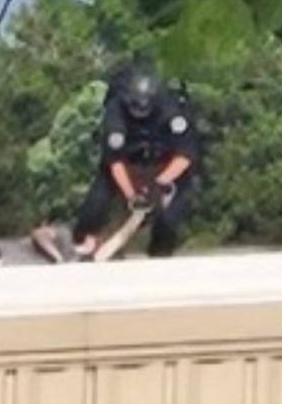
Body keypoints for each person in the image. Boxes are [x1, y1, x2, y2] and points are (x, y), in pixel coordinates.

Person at [73, 64, 202, 259]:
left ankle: (160, 255)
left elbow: (185, 155)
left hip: (167, 166)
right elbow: (114, 160)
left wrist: (159, 183)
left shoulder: (173, 113)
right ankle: (82, 244)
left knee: (168, 220)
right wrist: (132, 196)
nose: (138, 113)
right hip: (126, 163)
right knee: (94, 206)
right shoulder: (115, 111)